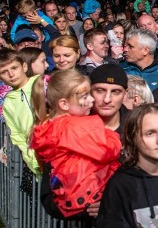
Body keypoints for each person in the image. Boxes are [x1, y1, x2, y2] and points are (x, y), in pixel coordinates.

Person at [31, 69, 122, 219]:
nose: (91, 100)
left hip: (67, 196)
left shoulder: (48, 128)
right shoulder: (77, 126)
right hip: (89, 193)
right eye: (85, 96)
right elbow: (105, 150)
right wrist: (112, 136)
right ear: (64, 104)